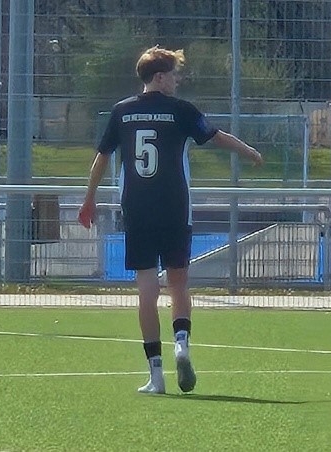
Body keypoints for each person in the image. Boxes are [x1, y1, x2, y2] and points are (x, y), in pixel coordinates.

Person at [78, 45, 263, 394]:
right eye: (175, 74)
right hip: (175, 207)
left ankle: (156, 375)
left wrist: (89, 200)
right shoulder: (180, 110)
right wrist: (248, 151)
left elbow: (101, 158)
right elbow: (216, 137)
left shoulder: (122, 111)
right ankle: (181, 344)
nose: (178, 80)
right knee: (179, 282)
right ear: (160, 77)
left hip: (137, 209)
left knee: (146, 291)